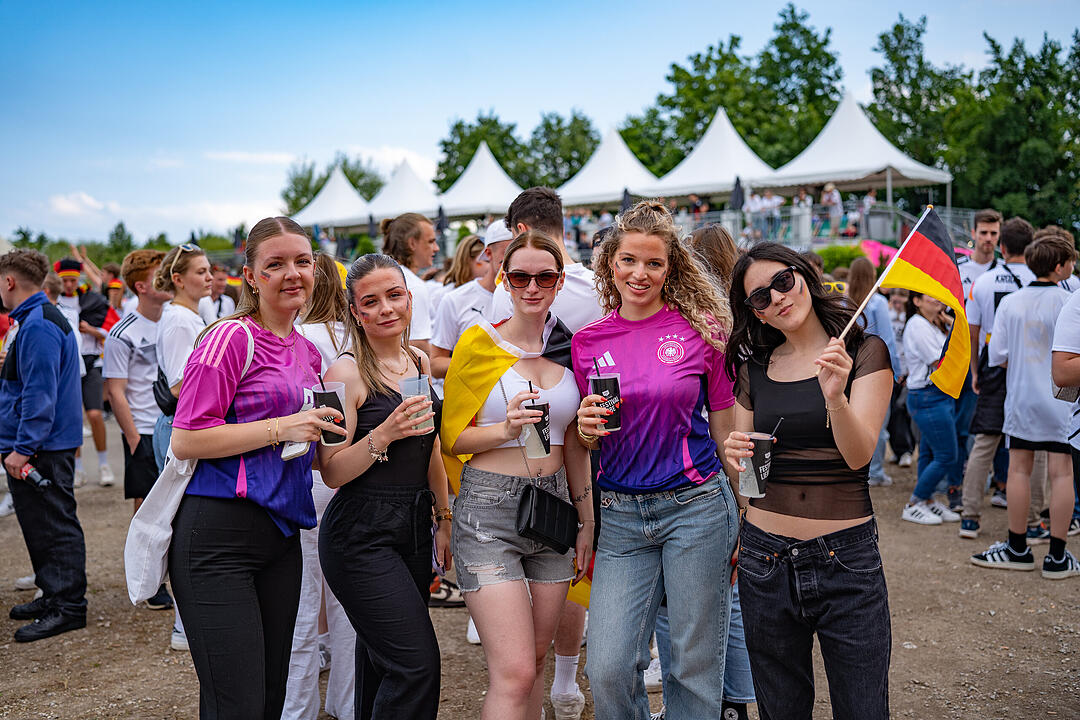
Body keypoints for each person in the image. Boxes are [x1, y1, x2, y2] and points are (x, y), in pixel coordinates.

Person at [169, 217, 345, 719]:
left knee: (271, 697)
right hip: (218, 535)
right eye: (276, 264)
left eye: (302, 262)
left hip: (281, 536)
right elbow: (186, 438)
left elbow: (317, 455)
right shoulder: (230, 337)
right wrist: (284, 427)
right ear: (250, 275)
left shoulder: (308, 351)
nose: (292, 273)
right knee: (237, 703)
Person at [574, 200, 738, 720]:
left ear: (672, 269)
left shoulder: (703, 331)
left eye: (653, 263)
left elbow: (727, 426)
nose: (639, 274)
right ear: (609, 265)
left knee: (692, 666)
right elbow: (590, 438)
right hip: (621, 517)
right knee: (608, 666)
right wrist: (584, 430)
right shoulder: (586, 343)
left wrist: (750, 509)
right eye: (628, 261)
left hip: (698, 509)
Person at [722, 242, 893, 720]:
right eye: (759, 297)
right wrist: (737, 459)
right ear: (754, 313)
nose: (776, 297)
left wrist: (834, 397)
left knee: (863, 709)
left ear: (805, 277)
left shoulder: (863, 352)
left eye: (782, 281)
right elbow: (747, 485)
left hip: (847, 559)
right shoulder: (754, 368)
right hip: (764, 559)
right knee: (780, 710)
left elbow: (859, 456)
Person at [443, 231, 593, 720]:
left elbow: (573, 442)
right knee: (515, 672)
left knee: (535, 659)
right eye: (521, 276)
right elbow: (452, 441)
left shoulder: (571, 348)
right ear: (504, 280)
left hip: (554, 510)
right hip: (489, 509)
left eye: (544, 276)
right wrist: (502, 428)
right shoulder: (478, 344)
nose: (533, 286)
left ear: (559, 280)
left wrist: (586, 520)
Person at [318, 253, 450, 720]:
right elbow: (330, 470)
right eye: (370, 302)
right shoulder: (342, 373)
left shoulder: (418, 360)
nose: (386, 308)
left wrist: (443, 517)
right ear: (355, 311)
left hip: (412, 526)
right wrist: (384, 434)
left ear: (409, 297)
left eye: (394, 296)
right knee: (416, 664)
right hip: (359, 534)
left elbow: (430, 447)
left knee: (382, 661)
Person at [493, 187, 605, 715]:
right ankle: (563, 678)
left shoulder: (507, 288)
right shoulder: (597, 287)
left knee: (541, 550)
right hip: (597, 431)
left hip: (532, 442)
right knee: (572, 556)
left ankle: (538, 671)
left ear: (520, 232)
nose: (531, 286)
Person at [972, 235, 1079, 577]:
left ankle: (1017, 547)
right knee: (1062, 472)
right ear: (1060, 267)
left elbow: (998, 356)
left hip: (1021, 397)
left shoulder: (1012, 302)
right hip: (1061, 398)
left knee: (1019, 468)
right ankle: (1058, 556)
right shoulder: (1069, 301)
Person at [0, 249, 87, 642]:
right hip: (39, 445)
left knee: (55, 525)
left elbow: (40, 394)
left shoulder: (38, 324)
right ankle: (53, 594)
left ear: (9, 282)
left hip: (42, 448)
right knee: (40, 526)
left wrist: (22, 447)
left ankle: (68, 607)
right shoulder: (35, 319)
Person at [285, 253, 355, 720]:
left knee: (303, 603)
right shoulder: (357, 339)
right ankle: (348, 703)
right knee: (347, 604)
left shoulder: (299, 340)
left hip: (311, 474)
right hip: (350, 473)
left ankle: (298, 710)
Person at [103, 249, 177, 617]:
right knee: (147, 508)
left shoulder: (175, 321)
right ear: (143, 286)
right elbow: (115, 389)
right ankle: (150, 582)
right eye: (162, 274)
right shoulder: (123, 331)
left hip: (174, 427)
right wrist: (134, 439)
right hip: (144, 431)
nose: (170, 278)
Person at [962, 217, 1044, 538]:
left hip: (994, 360)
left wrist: (974, 371)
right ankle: (1034, 519)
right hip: (1033, 362)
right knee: (1034, 443)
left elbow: (974, 330)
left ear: (1002, 246)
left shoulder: (984, 282)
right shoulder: (1044, 281)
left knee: (985, 440)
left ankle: (969, 516)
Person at [149, 243, 212, 651]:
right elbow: (178, 384)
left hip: (184, 424)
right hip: (179, 426)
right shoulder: (177, 321)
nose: (209, 277)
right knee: (186, 523)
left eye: (209, 270)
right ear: (178, 279)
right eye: (201, 271)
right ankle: (182, 624)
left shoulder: (190, 316)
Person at [487, 187, 605, 333]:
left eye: (513, 238)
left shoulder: (512, 287)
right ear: (562, 230)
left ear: (523, 231)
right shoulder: (602, 287)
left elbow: (503, 349)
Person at [901, 292, 962, 525]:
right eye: (930, 297)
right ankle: (914, 502)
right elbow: (940, 361)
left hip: (936, 395)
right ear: (916, 301)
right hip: (927, 396)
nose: (937, 299)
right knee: (947, 455)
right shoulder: (917, 325)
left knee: (929, 452)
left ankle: (926, 499)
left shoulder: (930, 324)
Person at [54, 258, 116, 487]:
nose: (69, 285)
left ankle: (103, 463)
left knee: (95, 414)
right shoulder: (54, 302)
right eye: (65, 281)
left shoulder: (92, 300)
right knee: (73, 418)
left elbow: (110, 328)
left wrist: (91, 329)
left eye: (73, 280)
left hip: (91, 362)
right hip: (67, 365)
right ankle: (77, 469)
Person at [431, 221, 513, 381]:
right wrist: (481, 363)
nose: (516, 260)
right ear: (488, 254)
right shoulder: (455, 299)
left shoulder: (531, 296)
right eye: (507, 254)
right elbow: (435, 364)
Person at [846, 257, 901, 487]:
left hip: (849, 369)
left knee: (852, 422)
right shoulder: (878, 303)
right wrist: (896, 371)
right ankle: (875, 471)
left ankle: (855, 468)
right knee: (878, 424)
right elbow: (887, 340)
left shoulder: (843, 301)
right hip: (875, 371)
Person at [381, 213, 439, 357]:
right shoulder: (412, 285)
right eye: (431, 242)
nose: (436, 248)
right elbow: (419, 344)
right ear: (412, 243)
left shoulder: (387, 275)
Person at [886, 289, 914, 468]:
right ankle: (897, 450)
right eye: (894, 301)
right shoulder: (887, 317)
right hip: (890, 372)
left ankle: (906, 450)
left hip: (906, 373)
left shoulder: (911, 320)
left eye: (900, 302)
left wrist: (907, 372)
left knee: (902, 412)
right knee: (890, 415)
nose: (897, 305)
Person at [430, 233, 485, 319]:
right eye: (485, 260)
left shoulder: (491, 293)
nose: (490, 265)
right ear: (467, 260)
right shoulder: (443, 295)